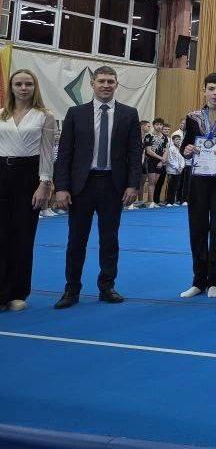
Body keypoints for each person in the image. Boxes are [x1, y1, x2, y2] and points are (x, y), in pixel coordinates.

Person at [52, 66, 142, 308]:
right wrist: (61, 187)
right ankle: (71, 289)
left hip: (113, 185)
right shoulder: (75, 113)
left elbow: (135, 153)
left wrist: (133, 185)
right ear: (92, 83)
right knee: (76, 240)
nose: (106, 85)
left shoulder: (129, 114)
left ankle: (107, 286)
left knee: (109, 240)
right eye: (101, 81)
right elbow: (64, 153)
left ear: (116, 85)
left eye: (110, 81)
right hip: (81, 186)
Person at [0, 70, 56, 312]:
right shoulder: (1, 114)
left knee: (22, 235)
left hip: (28, 175)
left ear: (35, 88)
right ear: (11, 87)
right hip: (2, 173)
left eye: (28, 84)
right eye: (19, 84)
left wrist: (44, 184)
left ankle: (17, 292)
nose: (23, 88)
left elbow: (47, 153)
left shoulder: (45, 116)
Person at [180, 73, 216, 299]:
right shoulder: (192, 117)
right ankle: (198, 281)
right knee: (197, 230)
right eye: (211, 89)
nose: (215, 93)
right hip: (197, 180)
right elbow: (185, 146)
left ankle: (214, 280)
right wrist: (186, 150)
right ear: (204, 91)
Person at [142, 118, 167, 208]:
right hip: (150, 161)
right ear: (153, 125)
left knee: (155, 182)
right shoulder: (149, 136)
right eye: (157, 124)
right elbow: (148, 151)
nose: (159, 126)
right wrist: (161, 158)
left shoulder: (164, 137)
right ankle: (150, 201)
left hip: (159, 162)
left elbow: (166, 150)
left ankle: (151, 200)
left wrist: (162, 161)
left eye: (160, 125)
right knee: (151, 182)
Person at [163, 131, 185, 206]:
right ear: (173, 140)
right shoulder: (171, 148)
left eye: (179, 139)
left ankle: (172, 201)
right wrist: (177, 167)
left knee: (176, 186)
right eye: (176, 139)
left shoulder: (180, 149)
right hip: (171, 170)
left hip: (179, 170)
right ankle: (168, 201)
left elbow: (182, 159)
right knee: (170, 186)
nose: (178, 141)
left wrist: (181, 167)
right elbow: (170, 160)